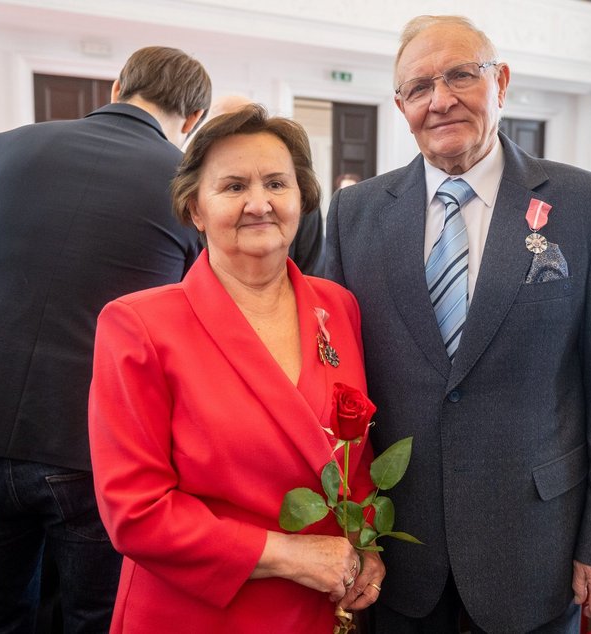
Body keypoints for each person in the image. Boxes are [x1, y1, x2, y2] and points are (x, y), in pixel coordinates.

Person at [327, 15, 591, 633]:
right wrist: (344, 528)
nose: (439, 100)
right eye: (418, 88)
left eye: (459, 76)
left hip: (536, 546)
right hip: (396, 552)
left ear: (500, 82)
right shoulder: (353, 213)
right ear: (400, 105)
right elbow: (334, 379)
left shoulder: (584, 203)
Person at [0, 46, 211, 632]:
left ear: (117, 87)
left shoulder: (5, 146)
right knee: (95, 622)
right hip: (94, 441)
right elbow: (187, 324)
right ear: (193, 121)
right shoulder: (186, 187)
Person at [89, 104, 384, 633]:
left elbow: (354, 464)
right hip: (200, 611)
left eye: (277, 182)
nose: (259, 203)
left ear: (301, 198)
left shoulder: (338, 306)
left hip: (317, 610)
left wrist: (365, 547)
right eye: (232, 186)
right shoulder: (138, 325)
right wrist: (293, 557)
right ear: (195, 209)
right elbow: (136, 512)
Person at [201, 94, 326, 276]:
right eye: (235, 187)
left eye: (275, 184)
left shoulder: (297, 199)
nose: (258, 207)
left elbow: (313, 267)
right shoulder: (199, 195)